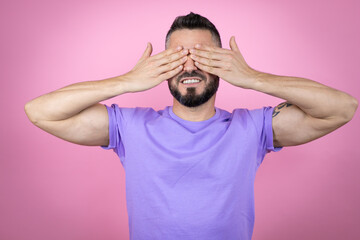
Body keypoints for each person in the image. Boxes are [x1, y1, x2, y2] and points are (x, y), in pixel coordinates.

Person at [25, 12, 357, 240]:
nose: (189, 66)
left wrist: (253, 78)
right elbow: (40, 111)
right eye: (177, 57)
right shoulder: (130, 127)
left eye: (202, 56)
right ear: (163, 66)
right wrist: (126, 81)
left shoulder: (251, 128)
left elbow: (343, 108)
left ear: (222, 64)